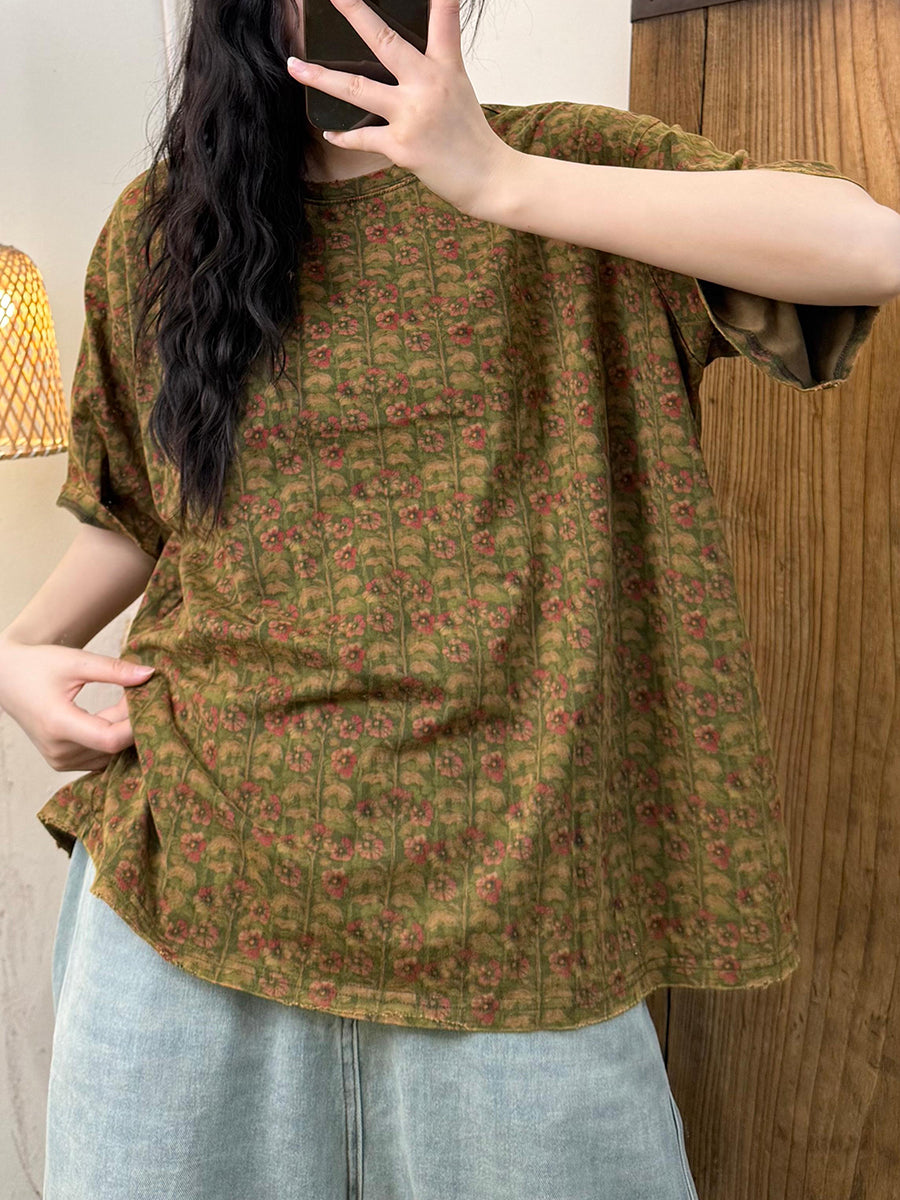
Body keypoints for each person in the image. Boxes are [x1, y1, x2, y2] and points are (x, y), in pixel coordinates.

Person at [1, 0, 895, 1196]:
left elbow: (871, 246)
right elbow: (146, 506)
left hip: (523, 915)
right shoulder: (166, 227)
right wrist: (20, 651)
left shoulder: (570, 165)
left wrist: (497, 180)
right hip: (197, 890)